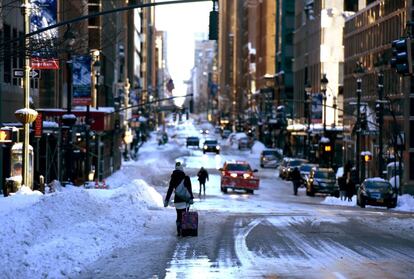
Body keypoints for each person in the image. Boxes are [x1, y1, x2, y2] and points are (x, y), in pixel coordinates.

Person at [164, 162, 194, 237]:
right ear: (182, 169)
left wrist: (167, 200)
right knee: (184, 215)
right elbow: (189, 189)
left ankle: (178, 230)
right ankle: (184, 231)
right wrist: (191, 198)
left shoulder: (173, 178)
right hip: (185, 200)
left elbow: (170, 189)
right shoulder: (186, 178)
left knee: (178, 216)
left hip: (177, 201)